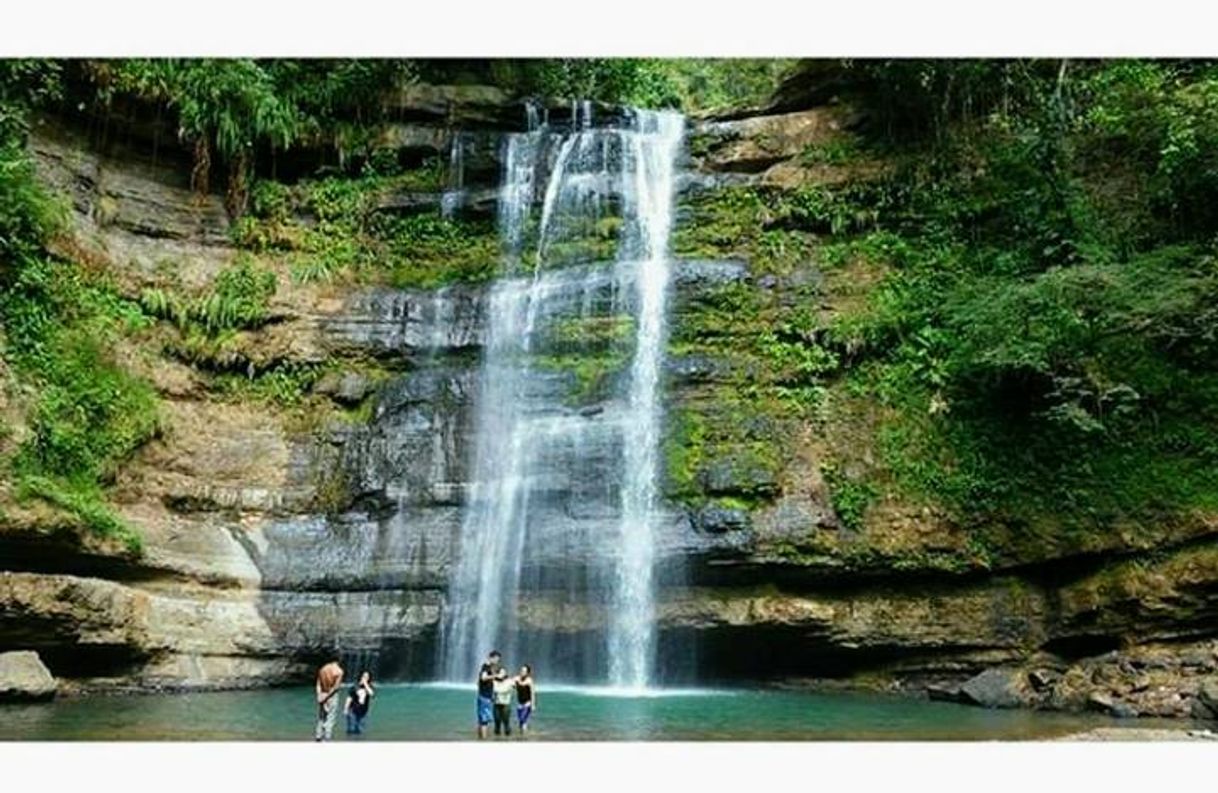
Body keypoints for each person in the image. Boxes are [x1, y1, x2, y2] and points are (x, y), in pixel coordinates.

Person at [314, 658, 344, 742]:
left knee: (321, 717)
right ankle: (327, 739)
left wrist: (319, 695)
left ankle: (318, 737)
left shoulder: (323, 669)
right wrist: (327, 697)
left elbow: (318, 684)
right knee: (330, 718)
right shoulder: (339, 671)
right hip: (331, 696)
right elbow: (335, 687)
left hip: (322, 694)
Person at [476, 650, 501, 739]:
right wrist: (495, 676)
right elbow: (483, 678)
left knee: (481, 719)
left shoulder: (487, 667)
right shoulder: (486, 666)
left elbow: (479, 681)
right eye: (497, 659)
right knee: (484, 721)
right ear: (492, 658)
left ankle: (480, 739)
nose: (497, 662)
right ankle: (483, 739)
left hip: (483, 695)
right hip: (485, 697)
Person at [344, 671, 375, 735]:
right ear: (360, 677)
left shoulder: (369, 687)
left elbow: (372, 694)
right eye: (364, 676)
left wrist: (365, 684)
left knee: (359, 731)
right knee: (351, 729)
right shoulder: (354, 686)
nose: (365, 678)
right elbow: (349, 698)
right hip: (353, 710)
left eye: (367, 677)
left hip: (363, 711)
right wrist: (345, 708)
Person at [492, 667, 514, 736]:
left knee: (506, 722)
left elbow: (514, 687)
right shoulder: (494, 681)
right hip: (496, 704)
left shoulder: (510, 681)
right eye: (500, 672)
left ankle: (508, 739)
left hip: (506, 705)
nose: (502, 674)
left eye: (503, 672)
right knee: (497, 723)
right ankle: (497, 740)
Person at [514, 665, 536, 735]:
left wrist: (533, 704)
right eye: (521, 670)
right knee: (520, 720)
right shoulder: (517, 678)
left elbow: (532, 693)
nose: (522, 672)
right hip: (519, 703)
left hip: (527, 703)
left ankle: (524, 735)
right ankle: (522, 734)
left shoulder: (529, 680)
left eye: (524, 671)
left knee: (523, 720)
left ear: (527, 673)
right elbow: (510, 683)